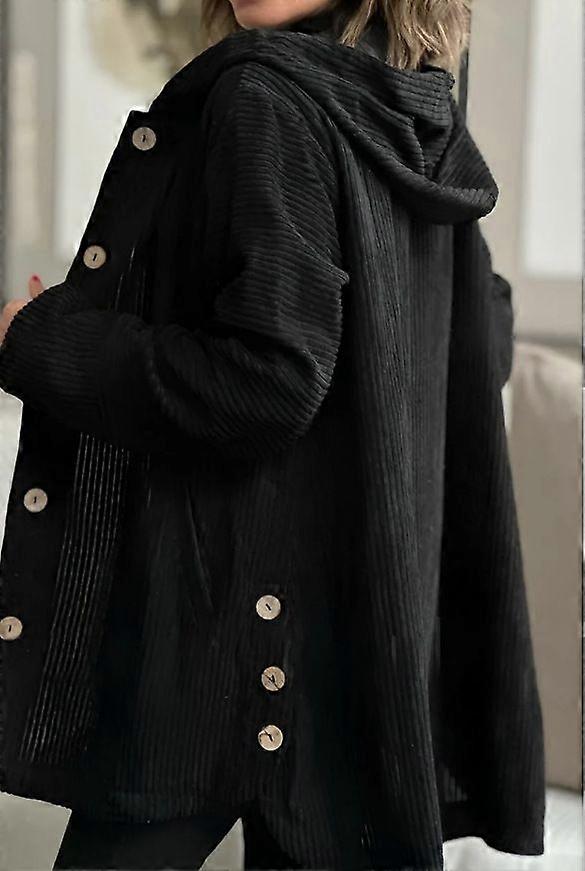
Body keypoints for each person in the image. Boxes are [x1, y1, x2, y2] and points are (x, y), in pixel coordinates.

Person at [0, 1, 545, 869]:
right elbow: (484, 330)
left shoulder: (264, 96)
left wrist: (40, 339)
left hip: (223, 621)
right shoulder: (414, 111)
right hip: (360, 633)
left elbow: (268, 380)